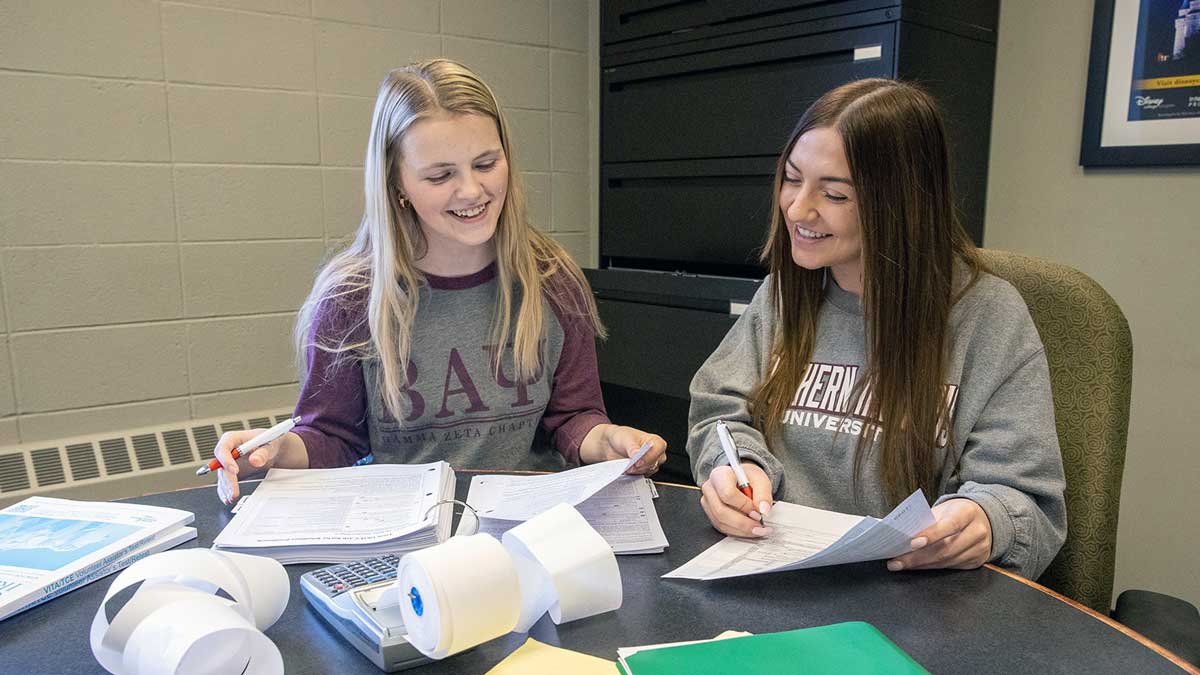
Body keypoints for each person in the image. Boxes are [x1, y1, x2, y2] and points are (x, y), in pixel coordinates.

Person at [214, 59, 666, 504]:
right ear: (397, 184)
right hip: (406, 526)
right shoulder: (352, 299)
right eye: (440, 175)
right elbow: (333, 438)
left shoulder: (551, 277)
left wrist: (609, 438)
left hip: (530, 525)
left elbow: (571, 419)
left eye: (486, 164)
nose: (471, 191)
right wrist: (275, 449)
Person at [686, 78, 1066, 579]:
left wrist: (984, 522)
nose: (799, 209)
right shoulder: (784, 293)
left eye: (835, 194)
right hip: (772, 575)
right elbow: (720, 413)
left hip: (910, 597)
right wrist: (736, 468)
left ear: (902, 203)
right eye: (792, 179)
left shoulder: (988, 317)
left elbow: (1026, 502)